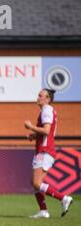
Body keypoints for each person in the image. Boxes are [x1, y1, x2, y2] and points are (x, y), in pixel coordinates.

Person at [25, 89, 73, 218]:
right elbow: (47, 132)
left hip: (45, 150)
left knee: (36, 183)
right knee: (34, 182)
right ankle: (43, 211)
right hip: (42, 150)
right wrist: (34, 135)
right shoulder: (46, 110)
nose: (38, 97)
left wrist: (31, 127)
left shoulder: (47, 110)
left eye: (41, 95)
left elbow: (46, 130)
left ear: (47, 99)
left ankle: (63, 198)